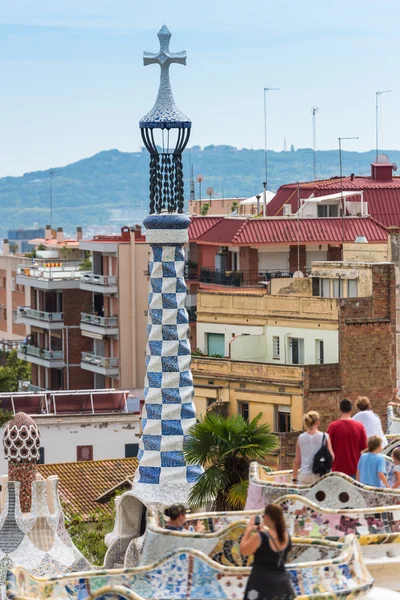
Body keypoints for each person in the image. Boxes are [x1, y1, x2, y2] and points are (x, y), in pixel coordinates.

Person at [240, 504, 295, 600]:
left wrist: (248, 531)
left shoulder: (260, 537)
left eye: (263, 516)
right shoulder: (286, 536)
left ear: (268, 518)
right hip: (282, 585)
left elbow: (244, 550)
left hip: (262, 585)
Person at [327, 399, 367, 478]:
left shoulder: (333, 426)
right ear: (351, 409)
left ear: (340, 409)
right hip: (355, 469)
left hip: (337, 469)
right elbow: (365, 448)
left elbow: (327, 447)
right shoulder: (359, 426)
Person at [292, 411, 334, 485]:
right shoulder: (325, 436)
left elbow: (297, 461)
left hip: (304, 475)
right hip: (320, 474)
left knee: (304, 496)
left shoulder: (301, 438)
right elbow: (331, 457)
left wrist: (294, 478)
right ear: (317, 422)